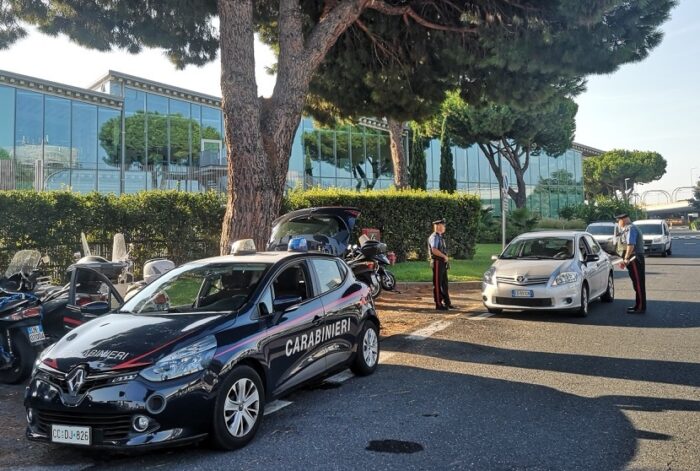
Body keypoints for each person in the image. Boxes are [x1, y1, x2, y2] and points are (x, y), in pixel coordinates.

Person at [616, 213, 647, 313]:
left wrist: (626, 258)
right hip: (634, 258)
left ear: (623, 220)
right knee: (636, 283)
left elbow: (631, 244)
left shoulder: (630, 228)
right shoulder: (630, 228)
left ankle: (640, 307)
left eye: (618, 220)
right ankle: (638, 305)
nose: (618, 223)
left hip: (635, 258)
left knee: (638, 284)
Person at [428, 218, 453, 311]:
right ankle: (438, 304)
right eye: (443, 225)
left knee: (444, 284)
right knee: (438, 284)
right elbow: (434, 250)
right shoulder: (434, 237)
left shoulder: (440, 236)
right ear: (438, 226)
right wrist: (444, 256)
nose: (444, 227)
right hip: (438, 262)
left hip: (442, 262)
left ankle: (447, 303)